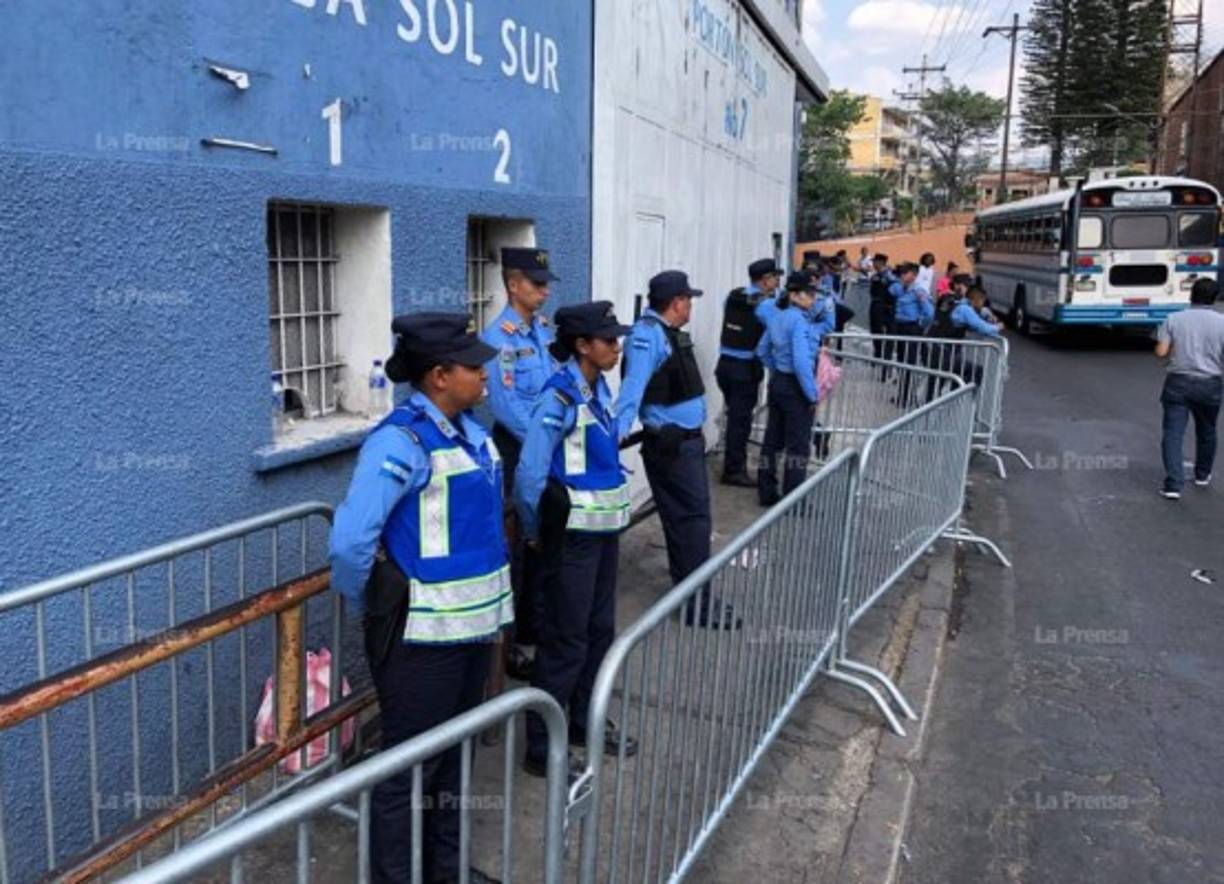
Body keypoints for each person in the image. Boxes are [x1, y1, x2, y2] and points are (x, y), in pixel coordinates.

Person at [331, 313, 512, 884]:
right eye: (472, 365)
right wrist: (375, 609)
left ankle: (446, 871)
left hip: (472, 632)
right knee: (408, 771)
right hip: (420, 641)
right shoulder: (401, 442)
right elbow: (349, 543)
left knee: (455, 759)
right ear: (438, 376)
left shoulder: (471, 431)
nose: (485, 373)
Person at [515, 301, 639, 776]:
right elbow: (530, 475)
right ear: (583, 346)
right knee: (564, 639)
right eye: (609, 341)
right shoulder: (559, 398)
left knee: (597, 632)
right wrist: (533, 532)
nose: (617, 347)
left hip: (603, 535)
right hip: (571, 542)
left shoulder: (598, 388)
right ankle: (542, 747)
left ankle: (585, 722)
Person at [616, 270, 739, 629]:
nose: (691, 307)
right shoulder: (647, 337)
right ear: (676, 303)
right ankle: (697, 605)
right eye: (689, 300)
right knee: (692, 523)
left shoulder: (664, 333)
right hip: (672, 447)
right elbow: (631, 393)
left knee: (687, 524)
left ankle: (690, 596)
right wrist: (612, 443)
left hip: (684, 444)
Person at [481, 247, 558, 680]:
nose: (544, 290)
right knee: (518, 550)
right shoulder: (500, 339)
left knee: (543, 542)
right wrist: (546, 441)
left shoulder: (542, 333)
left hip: (544, 449)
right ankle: (511, 648)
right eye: (536, 283)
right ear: (513, 285)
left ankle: (536, 630)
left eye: (546, 283)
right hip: (519, 451)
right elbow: (508, 407)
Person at [756, 272, 829, 505]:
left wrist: (777, 368)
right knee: (798, 447)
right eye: (809, 294)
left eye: (814, 294)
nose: (813, 299)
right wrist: (812, 394)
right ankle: (793, 499)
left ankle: (766, 491)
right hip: (795, 387)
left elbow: (762, 350)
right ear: (794, 295)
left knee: (772, 441)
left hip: (779, 383)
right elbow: (801, 362)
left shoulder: (777, 317)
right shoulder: (798, 321)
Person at [1155, 278, 1224, 500]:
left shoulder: (1173, 319)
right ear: (1215, 298)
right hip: (1210, 384)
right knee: (1207, 430)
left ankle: (1173, 484)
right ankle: (1202, 475)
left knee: (1173, 434)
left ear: (1191, 295)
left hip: (1177, 382)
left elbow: (1161, 352)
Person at [716, 258, 782, 487]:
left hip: (724, 365)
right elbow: (778, 331)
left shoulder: (733, 296)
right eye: (775, 277)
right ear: (765, 280)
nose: (777, 282)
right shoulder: (765, 305)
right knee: (740, 422)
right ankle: (734, 471)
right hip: (744, 369)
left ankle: (733, 464)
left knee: (735, 417)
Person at [890, 262, 934, 403]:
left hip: (912, 328)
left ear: (914, 275)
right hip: (901, 327)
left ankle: (907, 397)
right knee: (902, 362)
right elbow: (891, 289)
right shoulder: (902, 288)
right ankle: (902, 395)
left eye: (905, 273)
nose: (902, 275)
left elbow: (929, 313)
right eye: (901, 273)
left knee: (909, 363)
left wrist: (920, 326)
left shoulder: (918, 290)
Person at [868, 253, 896, 364]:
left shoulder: (889, 276)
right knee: (875, 330)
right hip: (875, 304)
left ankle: (883, 357)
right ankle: (877, 353)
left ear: (881, 262)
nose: (873, 264)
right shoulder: (876, 275)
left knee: (882, 331)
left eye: (875, 262)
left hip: (883, 306)